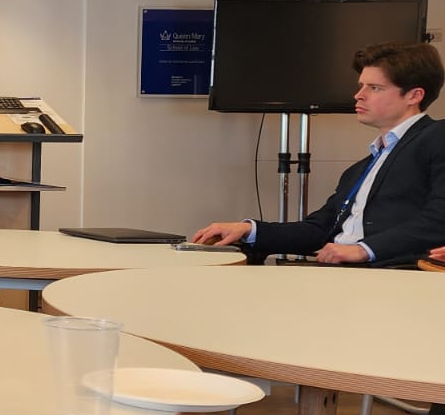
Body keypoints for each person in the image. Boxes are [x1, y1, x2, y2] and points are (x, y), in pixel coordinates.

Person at [190, 42, 445, 267]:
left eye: (375, 88)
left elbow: (438, 219)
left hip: (390, 276)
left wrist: (363, 250)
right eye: (361, 86)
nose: (358, 95)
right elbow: (319, 229)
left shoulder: (436, 137)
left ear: (414, 95)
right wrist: (248, 229)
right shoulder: (360, 169)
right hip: (342, 272)